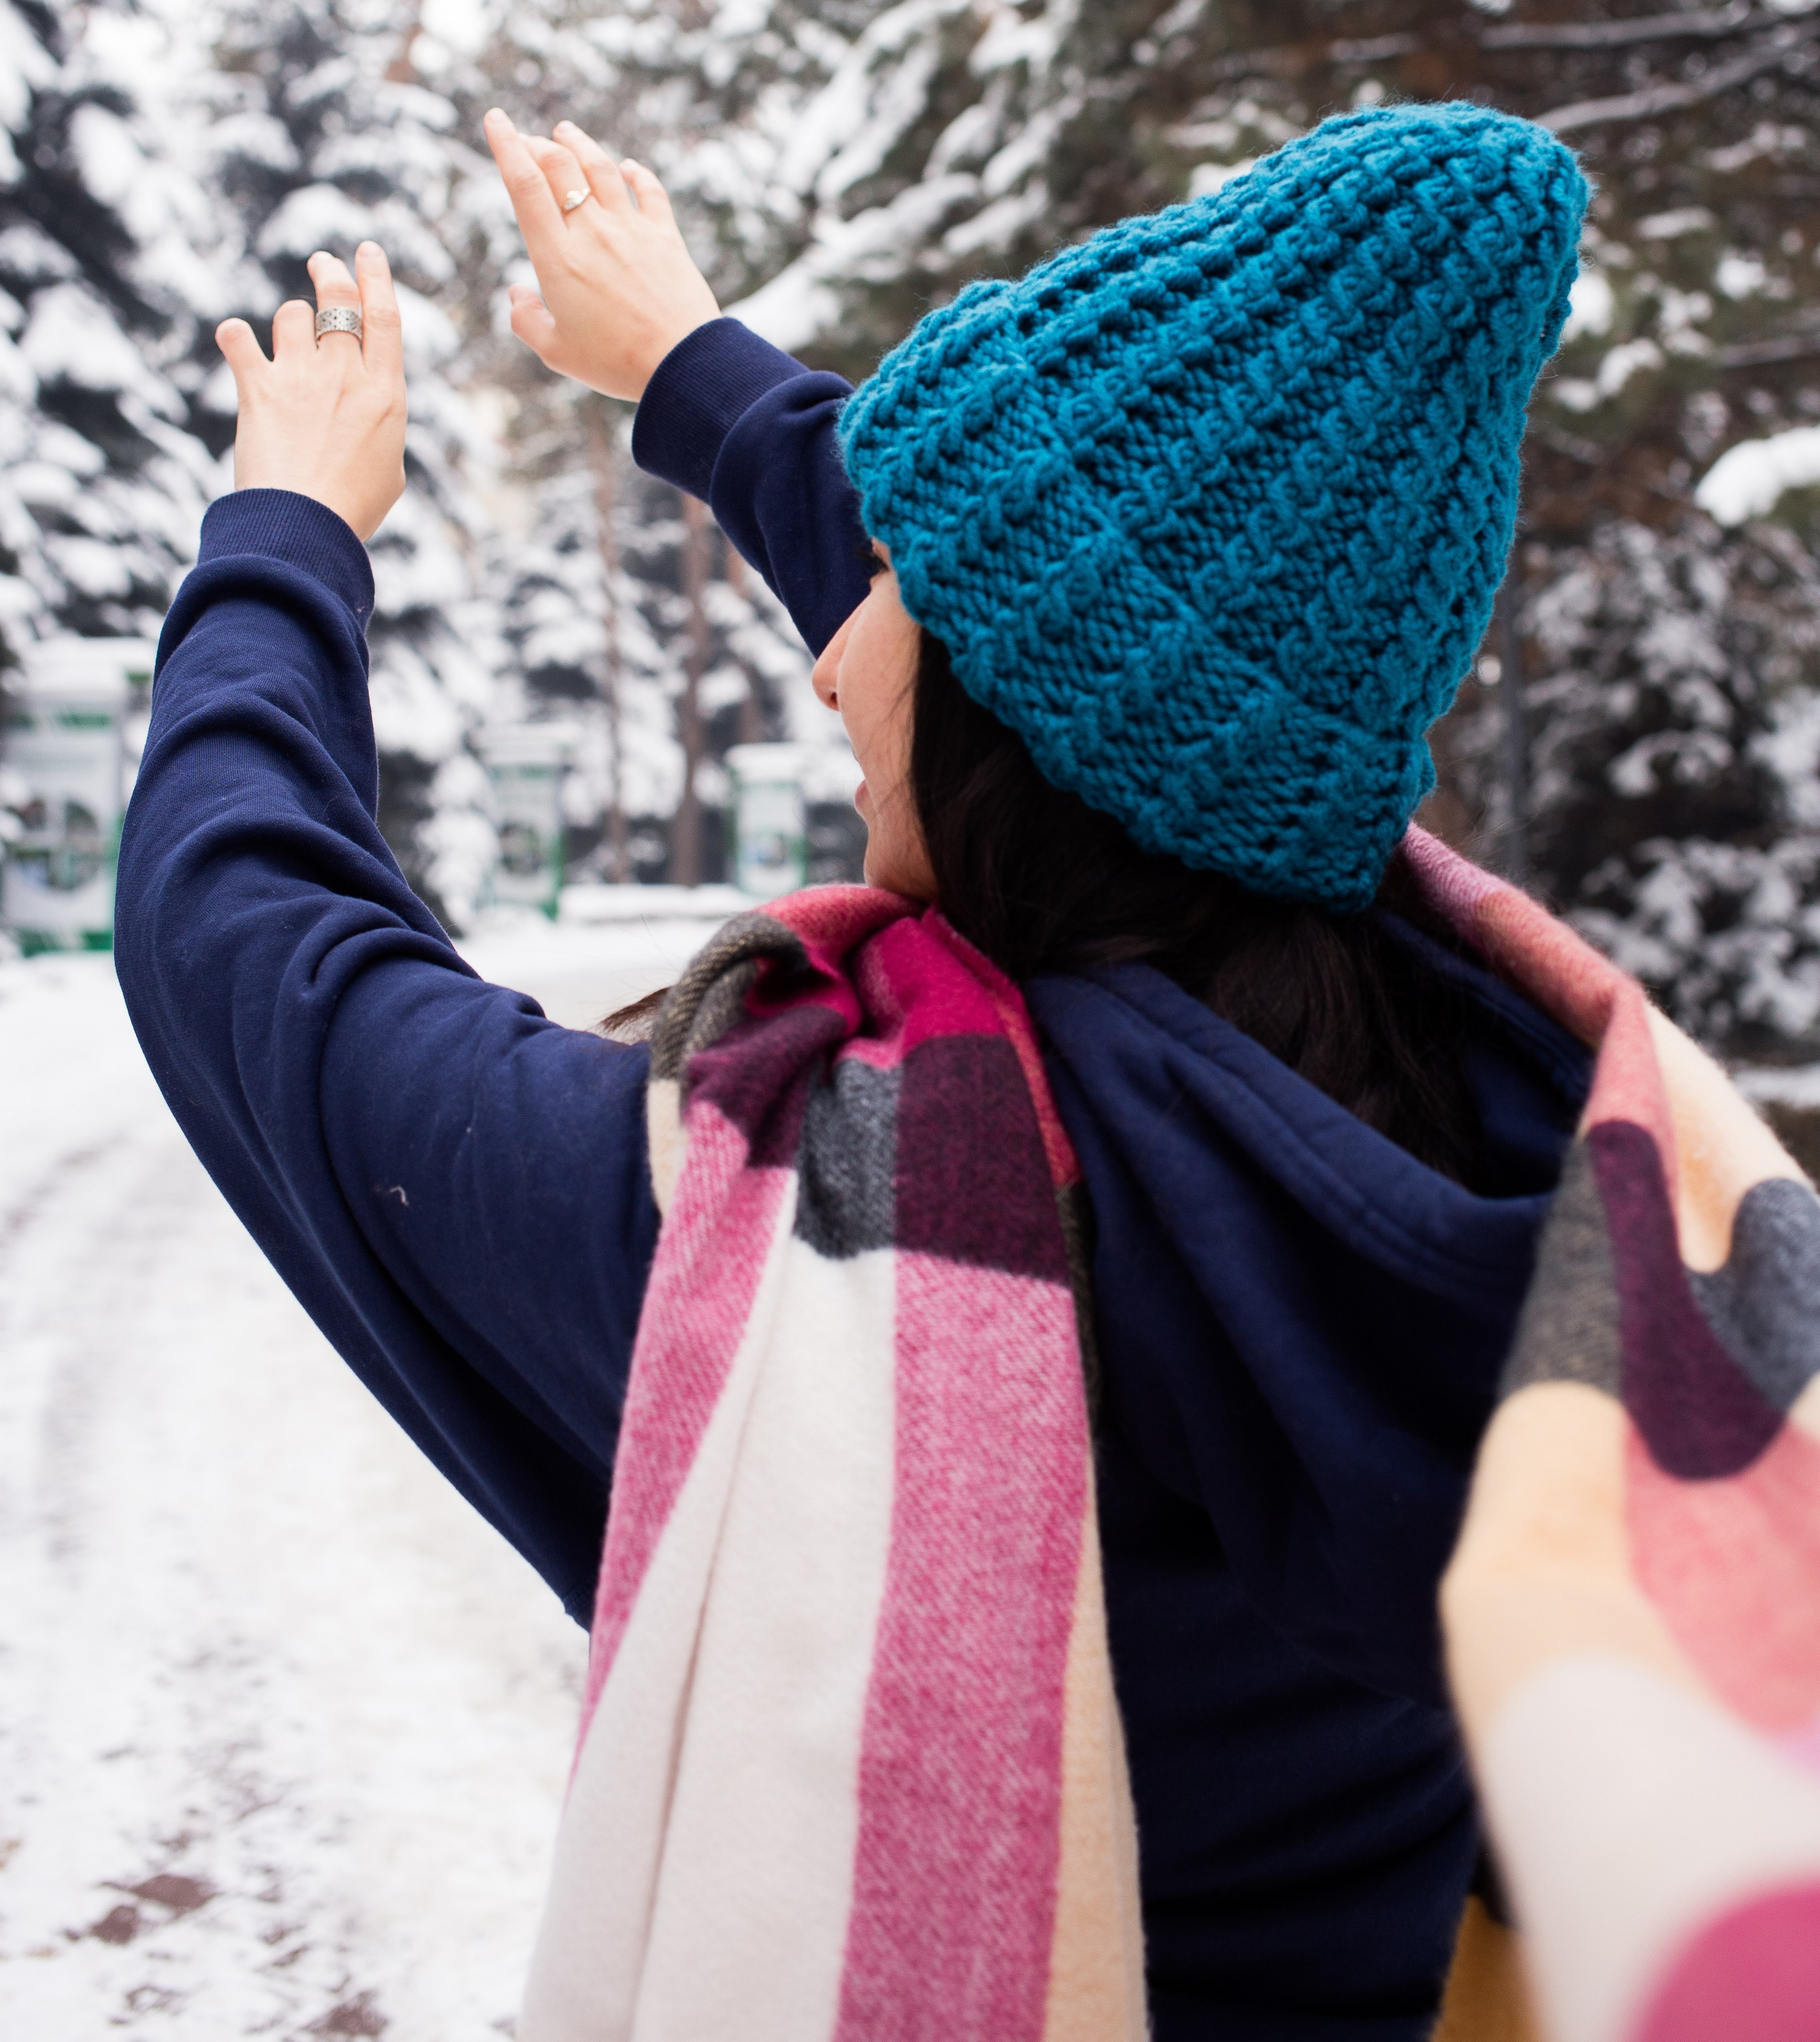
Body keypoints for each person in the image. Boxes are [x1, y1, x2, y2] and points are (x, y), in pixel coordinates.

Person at [116, 100, 1595, 2041]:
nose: (833, 662)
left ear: (997, 718)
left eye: (882, 593)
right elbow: (1082, 662)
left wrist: (284, 537)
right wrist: (691, 367)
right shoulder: (1505, 1142)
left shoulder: (811, 1244)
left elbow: (249, 940)